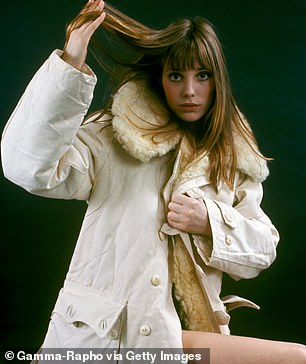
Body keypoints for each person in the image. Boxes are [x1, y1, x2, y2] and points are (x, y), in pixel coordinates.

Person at [1, 0, 305, 363]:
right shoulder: (115, 136)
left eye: (202, 75)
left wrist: (209, 220)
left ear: (218, 81)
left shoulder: (233, 160)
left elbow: (262, 250)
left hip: (181, 335)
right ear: (160, 78)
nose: (190, 90)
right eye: (176, 76)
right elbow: (27, 167)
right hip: (108, 341)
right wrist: (71, 62)